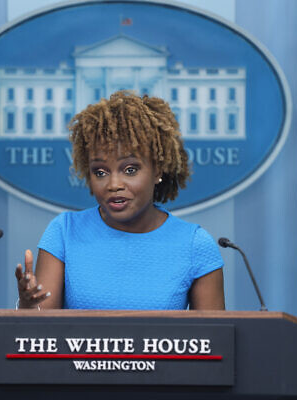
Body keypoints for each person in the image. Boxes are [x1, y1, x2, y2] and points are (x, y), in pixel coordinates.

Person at [15, 91, 224, 310]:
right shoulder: (64, 232)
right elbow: (40, 336)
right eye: (100, 172)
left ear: (157, 170)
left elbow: (214, 341)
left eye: (130, 169)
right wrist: (28, 307)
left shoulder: (195, 245)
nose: (113, 184)